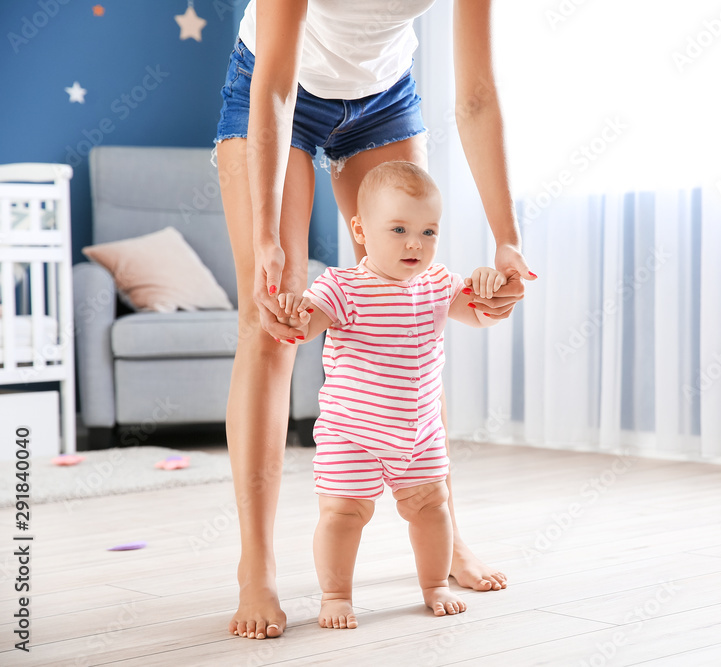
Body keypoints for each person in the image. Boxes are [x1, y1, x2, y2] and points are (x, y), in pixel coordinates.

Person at [214, 0, 534, 640]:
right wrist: (269, 237)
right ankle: (258, 565)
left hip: (384, 95)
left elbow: (474, 94)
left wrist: (507, 239)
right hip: (278, 89)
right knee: (271, 320)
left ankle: (441, 526)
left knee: (409, 310)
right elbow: (275, 87)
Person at [276, 161, 505, 628]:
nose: (415, 243)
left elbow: (482, 314)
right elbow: (310, 322)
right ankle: (336, 594)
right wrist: (298, 313)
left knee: (432, 509)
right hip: (351, 432)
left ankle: (435, 583)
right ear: (360, 230)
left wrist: (491, 285)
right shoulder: (343, 287)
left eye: (428, 231)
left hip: (419, 432)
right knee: (343, 514)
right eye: (398, 229)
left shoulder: (439, 283)